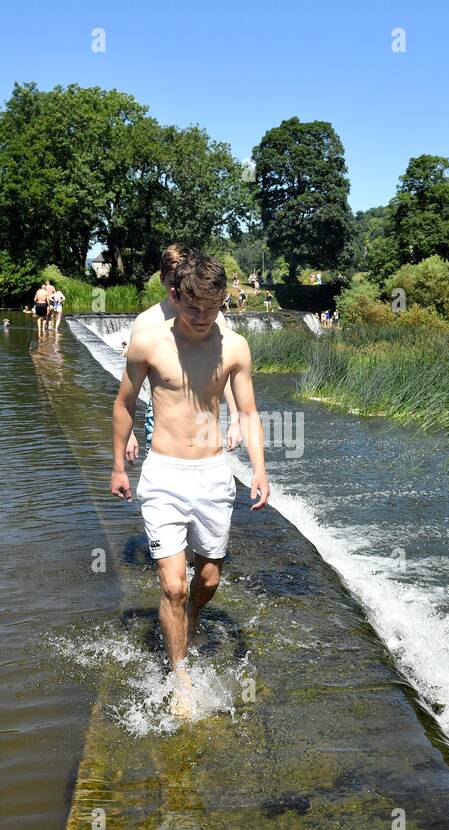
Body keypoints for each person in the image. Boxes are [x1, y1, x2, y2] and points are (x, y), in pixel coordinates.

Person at [110, 254, 270, 720]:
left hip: (214, 474)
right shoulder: (148, 343)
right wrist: (118, 466)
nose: (203, 318)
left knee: (208, 578)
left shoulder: (235, 347)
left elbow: (248, 413)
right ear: (175, 295)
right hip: (162, 476)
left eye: (213, 308)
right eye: (193, 307)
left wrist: (258, 469)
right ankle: (180, 676)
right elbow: (123, 406)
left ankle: (187, 620)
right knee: (174, 585)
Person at [122, 244, 242, 464]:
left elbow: (225, 372)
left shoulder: (214, 320)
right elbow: (129, 385)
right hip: (161, 416)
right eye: (171, 284)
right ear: (162, 279)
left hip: (205, 415)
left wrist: (235, 419)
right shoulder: (146, 323)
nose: (175, 292)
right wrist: (127, 434)